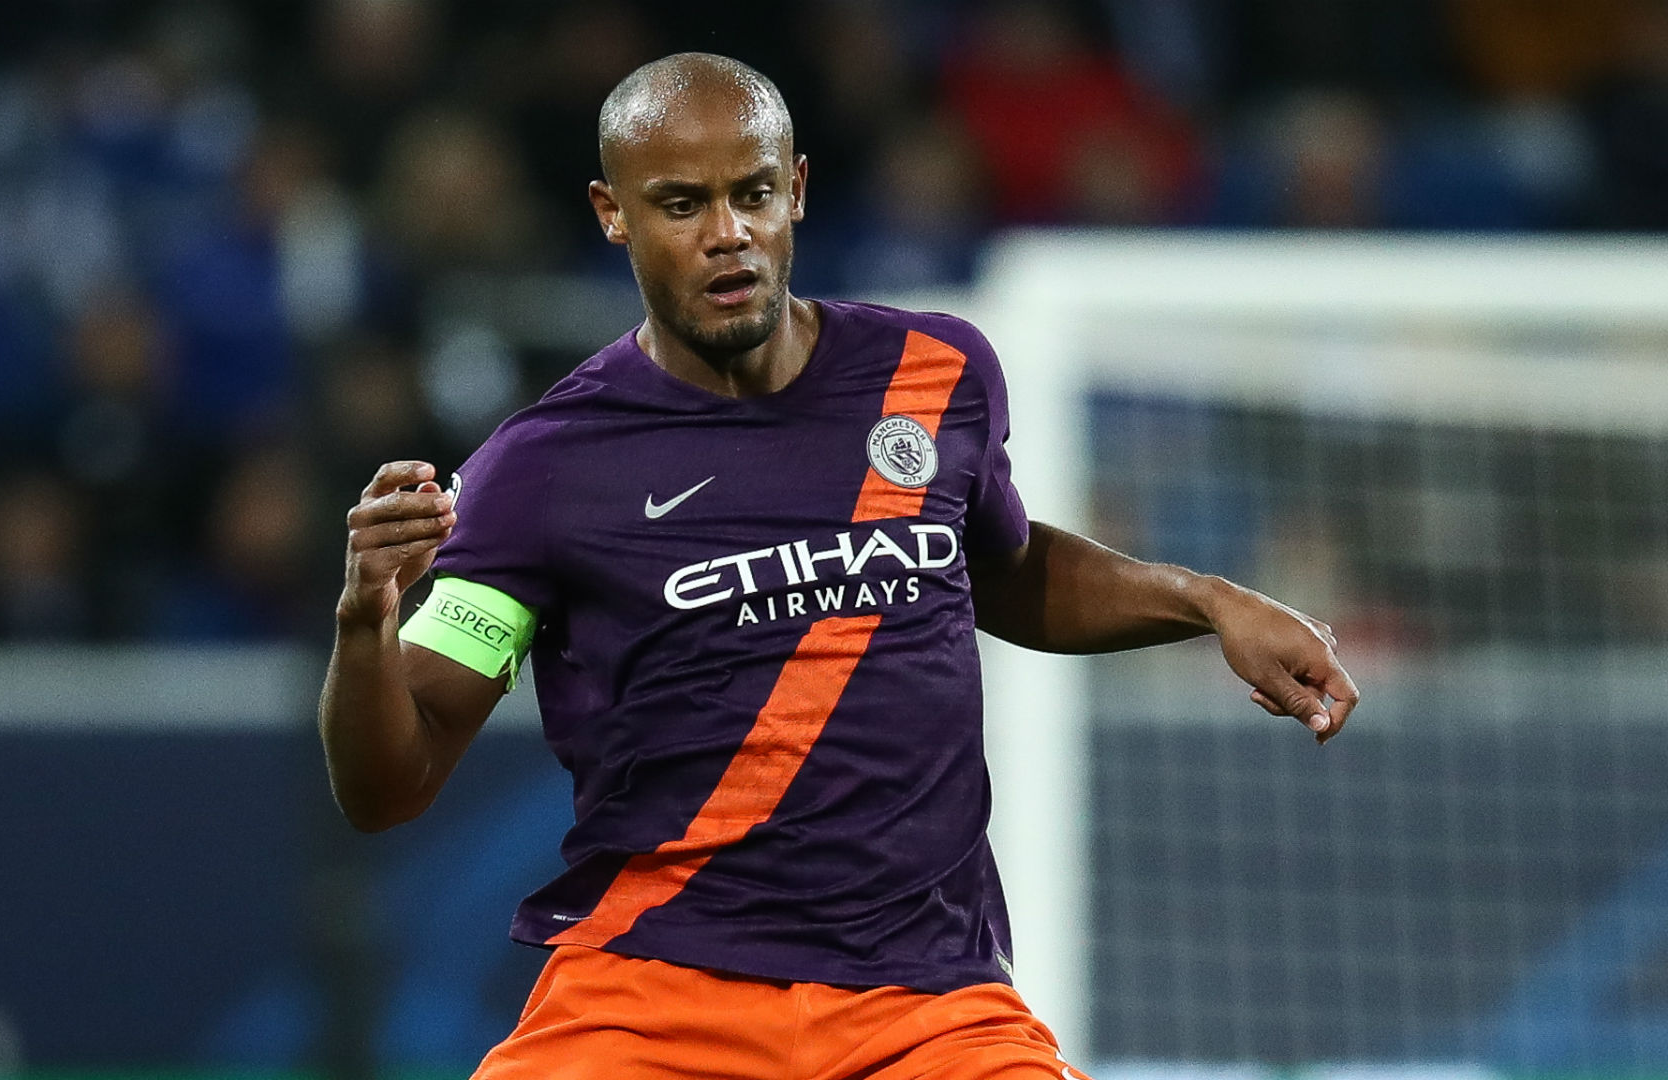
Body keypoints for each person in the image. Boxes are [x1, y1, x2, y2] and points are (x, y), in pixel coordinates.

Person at [318, 52, 1358, 1080]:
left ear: (799, 190)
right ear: (612, 213)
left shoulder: (932, 375)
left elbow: (1001, 571)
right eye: (681, 204)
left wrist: (1208, 601)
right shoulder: (543, 469)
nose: (728, 233)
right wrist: (366, 620)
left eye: (753, 194)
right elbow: (388, 783)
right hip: (653, 997)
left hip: (926, 1006)